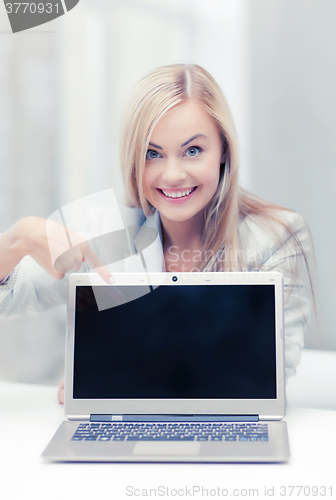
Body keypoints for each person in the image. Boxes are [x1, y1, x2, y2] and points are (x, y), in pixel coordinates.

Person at [0, 64, 317, 404]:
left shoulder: (275, 237)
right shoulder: (108, 234)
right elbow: (9, 298)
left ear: (224, 150)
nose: (173, 174)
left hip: (225, 433)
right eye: (153, 154)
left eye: (192, 151)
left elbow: (270, 371)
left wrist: (114, 378)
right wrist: (17, 240)